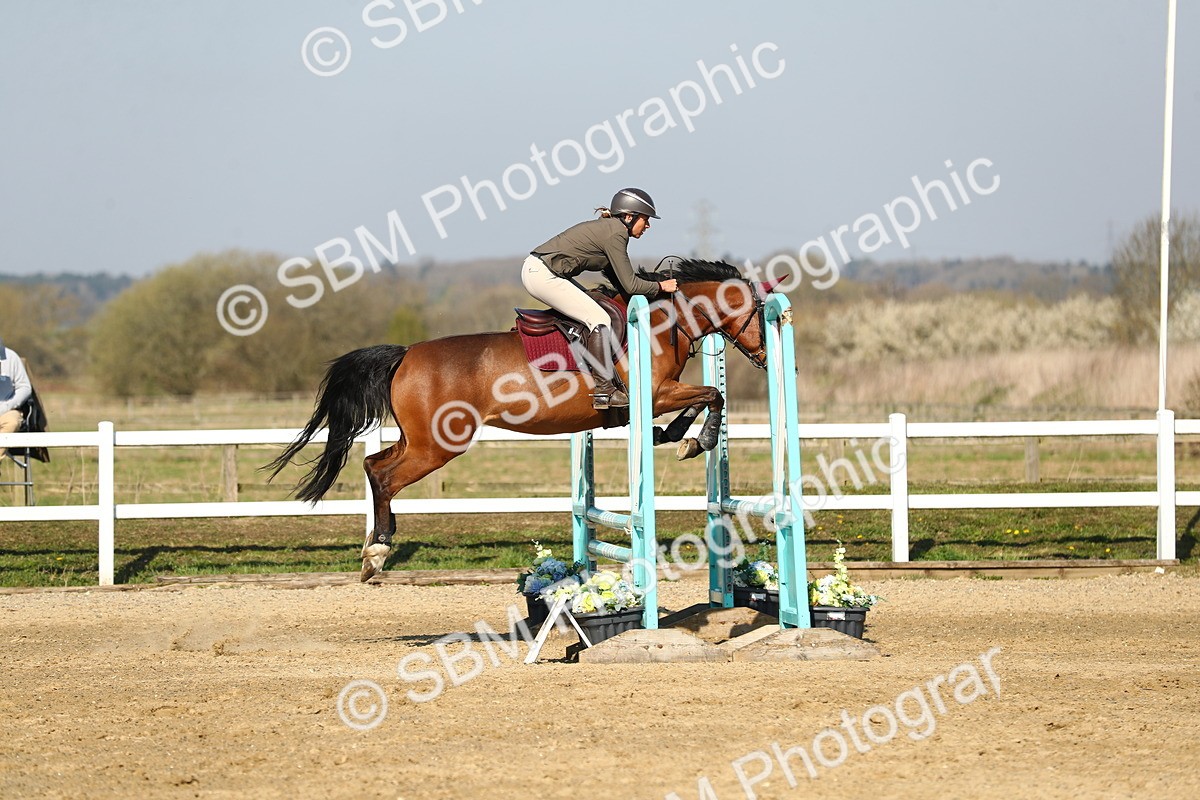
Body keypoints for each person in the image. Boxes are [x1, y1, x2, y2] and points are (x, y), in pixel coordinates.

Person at [523, 188, 678, 409]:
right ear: (629, 216)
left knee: (595, 303)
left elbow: (622, 284)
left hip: (541, 271)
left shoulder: (611, 229)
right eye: (646, 219)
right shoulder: (616, 234)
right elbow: (631, 285)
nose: (648, 226)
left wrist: (652, 290)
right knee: (600, 319)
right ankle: (604, 390)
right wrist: (661, 286)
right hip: (542, 275)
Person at [0, 336, 32, 460]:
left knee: (11, 422)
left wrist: (8, 405)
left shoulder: (11, 357)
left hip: (7, 410)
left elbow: (25, 387)